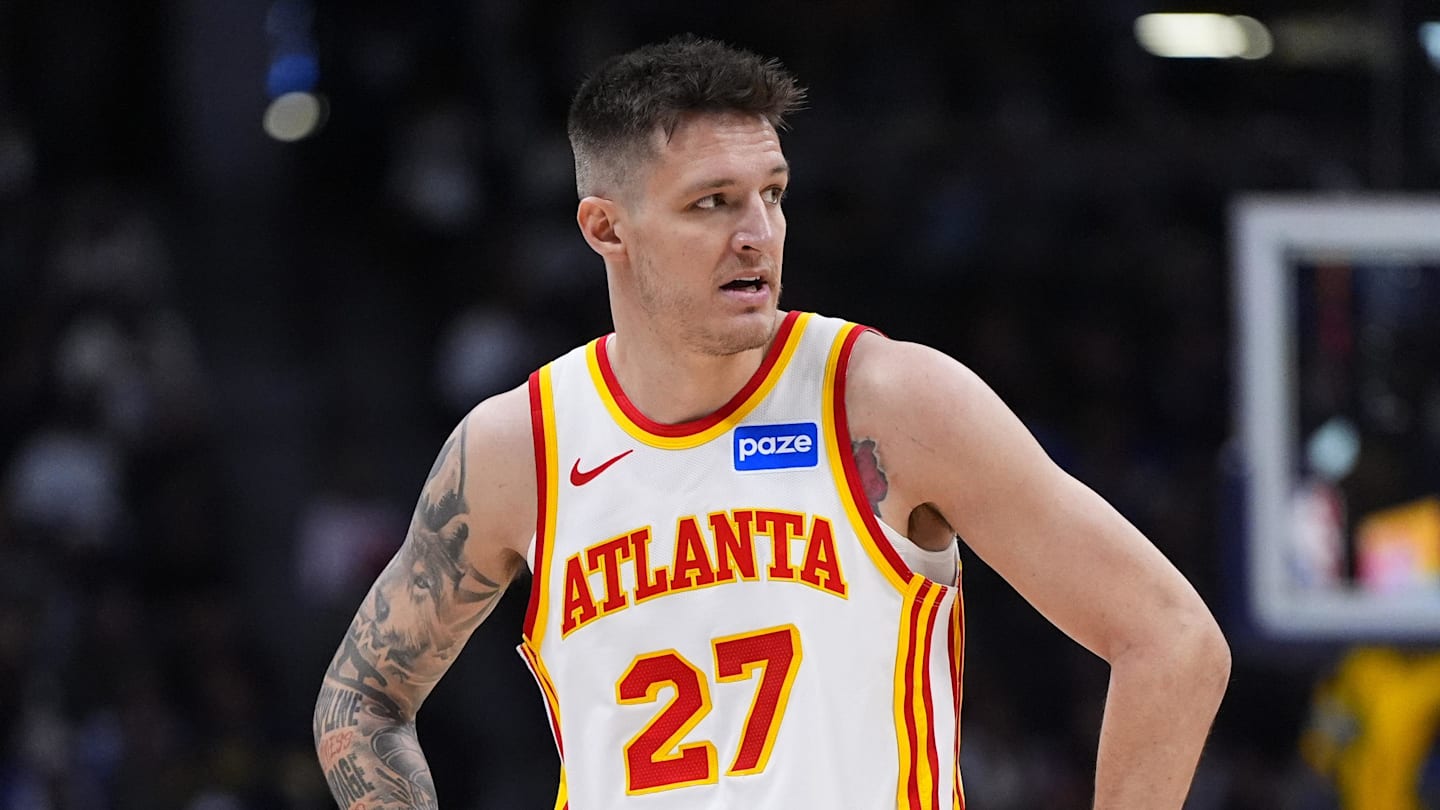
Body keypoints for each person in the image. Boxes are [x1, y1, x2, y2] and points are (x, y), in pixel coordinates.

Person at [313, 35, 1231, 810]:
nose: (756, 232)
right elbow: (360, 700)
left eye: (772, 193)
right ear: (605, 228)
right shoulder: (518, 449)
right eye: (710, 203)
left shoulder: (889, 402)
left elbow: (1173, 641)